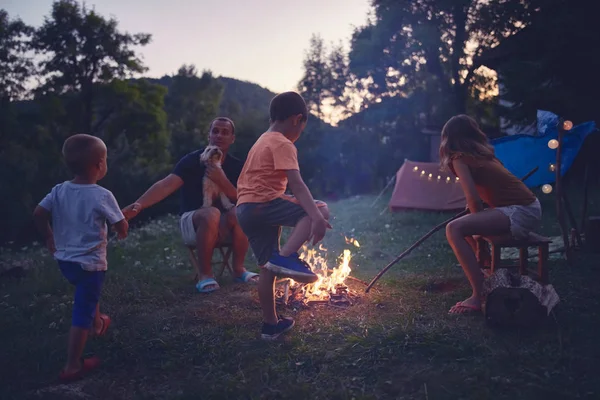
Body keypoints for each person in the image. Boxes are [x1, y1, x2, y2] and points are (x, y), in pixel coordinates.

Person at [121, 117, 258, 293]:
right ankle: (205, 275)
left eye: (225, 132)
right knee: (211, 213)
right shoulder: (192, 161)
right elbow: (166, 185)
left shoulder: (237, 166)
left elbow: (245, 197)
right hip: (193, 220)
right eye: (215, 131)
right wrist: (139, 205)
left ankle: (239, 270)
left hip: (225, 225)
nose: (219, 135)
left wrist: (221, 180)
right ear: (209, 135)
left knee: (240, 211)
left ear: (232, 138)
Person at [33, 134, 128, 382]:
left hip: (66, 262)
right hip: (91, 264)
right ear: (99, 164)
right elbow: (121, 225)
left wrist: (48, 236)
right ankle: (73, 365)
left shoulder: (59, 190)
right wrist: (122, 230)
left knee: (87, 294)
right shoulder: (102, 195)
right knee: (82, 309)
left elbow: (39, 213)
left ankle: (98, 325)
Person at [236, 91, 331, 340]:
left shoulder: (261, 141)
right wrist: (318, 219)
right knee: (319, 209)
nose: (299, 134)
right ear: (296, 119)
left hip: (245, 209)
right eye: (301, 127)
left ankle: (271, 325)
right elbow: (297, 185)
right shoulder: (282, 142)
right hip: (264, 203)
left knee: (267, 266)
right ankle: (287, 258)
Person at [439, 114, 542, 315]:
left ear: (447, 138)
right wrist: (479, 236)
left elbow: (474, 200)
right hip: (529, 208)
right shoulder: (485, 156)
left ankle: (479, 295)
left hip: (520, 210)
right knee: (464, 226)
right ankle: (486, 275)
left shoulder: (459, 158)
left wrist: (480, 240)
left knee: (454, 228)